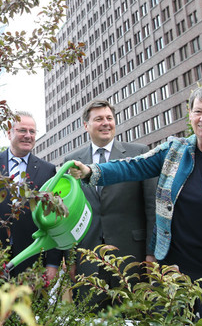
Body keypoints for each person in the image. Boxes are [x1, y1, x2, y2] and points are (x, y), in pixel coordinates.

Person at [68, 84, 202, 326]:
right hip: (172, 271)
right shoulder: (174, 150)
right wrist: (91, 171)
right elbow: (132, 165)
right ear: (190, 116)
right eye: (198, 111)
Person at [59, 99, 155, 308]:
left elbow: (152, 208)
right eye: (99, 119)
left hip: (132, 258)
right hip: (88, 261)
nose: (105, 123)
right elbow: (68, 214)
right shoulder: (72, 160)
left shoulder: (138, 153)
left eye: (109, 118)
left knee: (134, 317)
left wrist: (151, 253)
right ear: (86, 125)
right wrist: (71, 258)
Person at [0, 111, 57, 277]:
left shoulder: (48, 170)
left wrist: (53, 263)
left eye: (32, 131)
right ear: (9, 133)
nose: (28, 135)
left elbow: (53, 220)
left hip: (31, 258)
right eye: (22, 130)